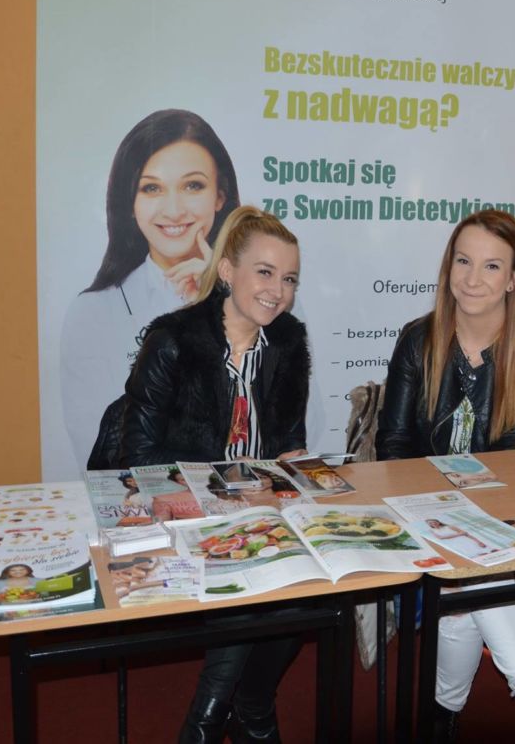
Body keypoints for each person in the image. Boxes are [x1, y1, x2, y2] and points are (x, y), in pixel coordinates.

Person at [375, 210, 515, 743]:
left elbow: (511, 459)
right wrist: (435, 509)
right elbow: (392, 446)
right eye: (463, 261)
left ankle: (444, 714)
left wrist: (465, 515)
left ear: (513, 278)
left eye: (490, 266)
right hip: (417, 505)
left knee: (471, 583)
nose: (471, 278)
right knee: (479, 570)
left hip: (494, 510)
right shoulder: (417, 340)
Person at [114, 205, 309, 743]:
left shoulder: (288, 341)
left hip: (258, 510)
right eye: (265, 272)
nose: (278, 291)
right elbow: (139, 454)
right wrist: (218, 492)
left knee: (306, 588)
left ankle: (249, 706)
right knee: (243, 573)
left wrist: (293, 469)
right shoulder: (173, 339)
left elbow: (289, 440)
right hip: (184, 512)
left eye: (289, 279)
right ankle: (211, 720)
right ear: (227, 271)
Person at [60, 109, 241, 466]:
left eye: (192, 186)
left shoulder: (263, 299)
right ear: (131, 203)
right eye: (152, 188)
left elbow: (288, 437)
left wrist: (219, 302)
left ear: (220, 196)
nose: (173, 210)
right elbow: (101, 451)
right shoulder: (93, 313)